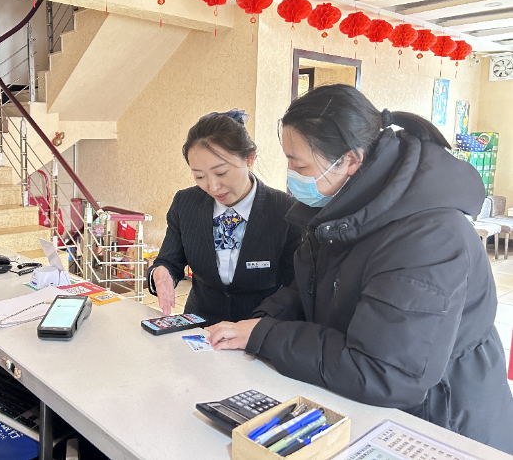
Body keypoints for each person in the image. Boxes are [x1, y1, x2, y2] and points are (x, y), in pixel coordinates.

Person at [206, 84, 513, 453]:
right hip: (368, 403)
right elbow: (312, 287)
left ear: (350, 160)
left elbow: (384, 372)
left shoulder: (429, 236)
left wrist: (267, 335)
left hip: (440, 420)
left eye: (299, 165)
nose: (290, 175)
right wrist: (259, 322)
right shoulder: (346, 208)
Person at [148, 110, 301, 325]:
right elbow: (169, 260)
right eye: (199, 176)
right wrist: (162, 273)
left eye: (221, 173)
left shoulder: (285, 210)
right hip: (201, 327)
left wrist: (259, 326)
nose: (213, 186)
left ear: (249, 158)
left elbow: (295, 288)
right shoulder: (186, 203)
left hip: (259, 328)